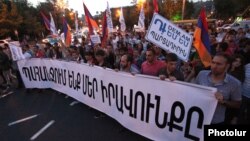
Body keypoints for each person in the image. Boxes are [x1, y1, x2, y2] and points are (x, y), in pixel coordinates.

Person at [195, 53, 241, 124]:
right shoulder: (202, 74)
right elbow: (194, 91)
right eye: (213, 62)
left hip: (215, 121)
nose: (214, 66)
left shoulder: (235, 83)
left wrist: (223, 101)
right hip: (196, 116)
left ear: (227, 66)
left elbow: (237, 104)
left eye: (219, 64)